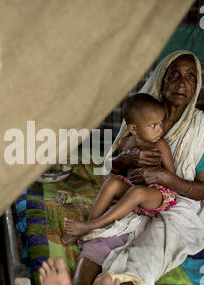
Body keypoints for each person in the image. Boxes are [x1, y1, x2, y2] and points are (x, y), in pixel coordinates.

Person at [38, 50, 204, 285]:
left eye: (190, 77)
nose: (181, 82)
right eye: (173, 74)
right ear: (161, 80)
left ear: (197, 86)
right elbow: (111, 169)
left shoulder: (201, 127)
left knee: (154, 246)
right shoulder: (141, 112)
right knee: (106, 233)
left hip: (177, 204)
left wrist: (166, 179)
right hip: (133, 198)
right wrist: (126, 159)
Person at [62, 93, 177, 244]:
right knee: (111, 183)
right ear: (133, 128)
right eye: (153, 125)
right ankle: (89, 224)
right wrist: (124, 158)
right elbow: (114, 169)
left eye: (161, 122)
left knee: (138, 191)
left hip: (156, 196)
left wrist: (155, 174)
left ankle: (90, 226)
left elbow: (171, 176)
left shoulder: (160, 145)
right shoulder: (124, 144)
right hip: (131, 194)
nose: (159, 129)